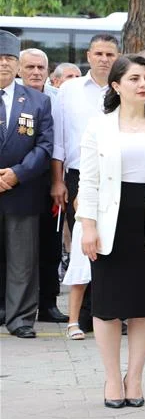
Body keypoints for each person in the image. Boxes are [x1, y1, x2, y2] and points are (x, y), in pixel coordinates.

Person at [76, 55, 145, 407]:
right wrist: (87, 226)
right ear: (116, 86)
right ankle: (111, 378)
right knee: (107, 305)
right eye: (134, 78)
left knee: (144, 304)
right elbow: (88, 181)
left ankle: (134, 377)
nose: (143, 84)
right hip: (110, 222)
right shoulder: (99, 126)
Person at [51, 33, 118, 336]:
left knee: (113, 243)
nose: (104, 59)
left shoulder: (122, 88)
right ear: (89, 56)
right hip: (79, 176)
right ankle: (78, 316)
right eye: (99, 54)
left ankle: (104, 313)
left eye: (110, 55)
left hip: (116, 175)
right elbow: (59, 140)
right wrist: (58, 180)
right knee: (84, 244)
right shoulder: (70, 90)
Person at [0, 32, 54, 338]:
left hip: (22, 189)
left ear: (18, 66)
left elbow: (44, 147)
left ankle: (20, 318)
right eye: (0, 59)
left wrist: (16, 174)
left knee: (22, 261)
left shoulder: (38, 101)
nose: (4, 65)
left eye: (9, 59)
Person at [16, 48, 65, 324]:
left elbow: (57, 141)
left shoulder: (56, 99)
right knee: (14, 247)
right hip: (16, 179)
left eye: (41, 67)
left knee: (50, 245)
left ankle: (48, 303)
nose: (36, 72)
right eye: (30, 67)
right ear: (20, 70)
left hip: (49, 178)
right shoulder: (9, 97)